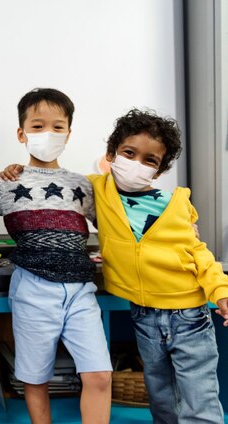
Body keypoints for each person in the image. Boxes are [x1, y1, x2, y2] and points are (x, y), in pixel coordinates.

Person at [0, 88, 112, 424]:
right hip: (33, 288)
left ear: (69, 132)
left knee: (99, 375)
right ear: (21, 133)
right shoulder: (8, 183)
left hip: (80, 290)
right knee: (34, 377)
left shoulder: (82, 185)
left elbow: (116, 224)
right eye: (37, 126)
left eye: (57, 126)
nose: (47, 134)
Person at [87, 109, 228, 422]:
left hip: (188, 315)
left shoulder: (173, 203)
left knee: (199, 400)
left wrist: (221, 291)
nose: (137, 163)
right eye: (129, 153)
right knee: (161, 398)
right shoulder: (98, 190)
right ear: (111, 154)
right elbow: (56, 184)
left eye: (149, 160)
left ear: (159, 170)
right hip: (144, 314)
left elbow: (198, 252)